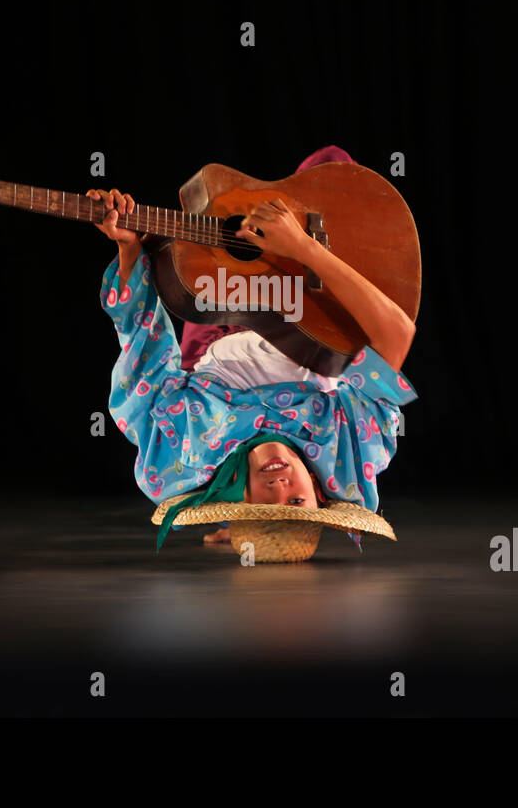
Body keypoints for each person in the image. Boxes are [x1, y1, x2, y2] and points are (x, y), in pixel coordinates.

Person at [88, 148, 417, 559]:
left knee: (209, 242)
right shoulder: (350, 456)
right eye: (295, 504)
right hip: (305, 326)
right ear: (317, 493)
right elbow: (397, 333)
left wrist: (130, 251)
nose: (280, 490)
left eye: (262, 506)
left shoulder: (179, 462)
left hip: (213, 332)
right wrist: (305, 248)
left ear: (239, 498)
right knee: (335, 176)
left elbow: (142, 348)